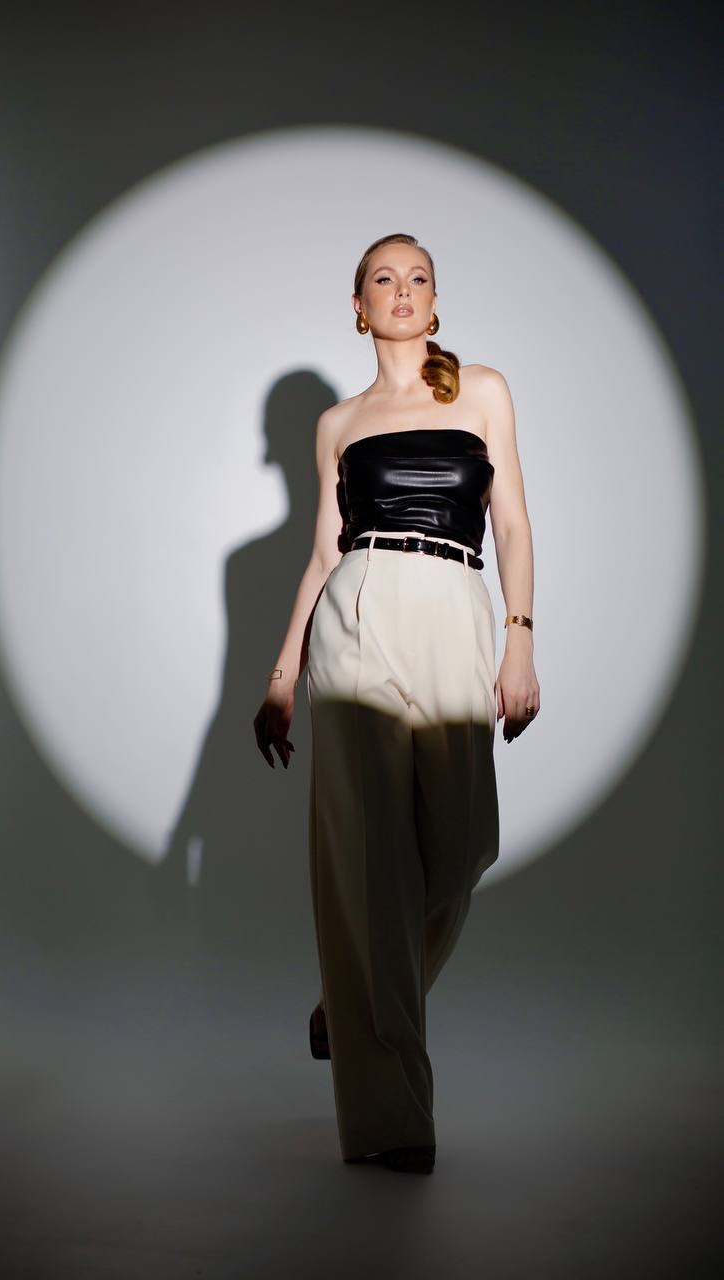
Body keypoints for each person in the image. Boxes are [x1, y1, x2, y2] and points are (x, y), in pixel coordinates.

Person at [253, 232, 539, 1175]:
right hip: (357, 612)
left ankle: (351, 1004)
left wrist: (519, 636)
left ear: (435, 300)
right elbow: (322, 553)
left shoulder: (481, 390)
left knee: (460, 846)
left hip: (456, 603)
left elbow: (510, 523)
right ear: (359, 306)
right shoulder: (337, 423)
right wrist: (283, 675)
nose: (403, 290)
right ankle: (391, 1126)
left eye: (418, 277)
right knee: (374, 864)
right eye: (384, 278)